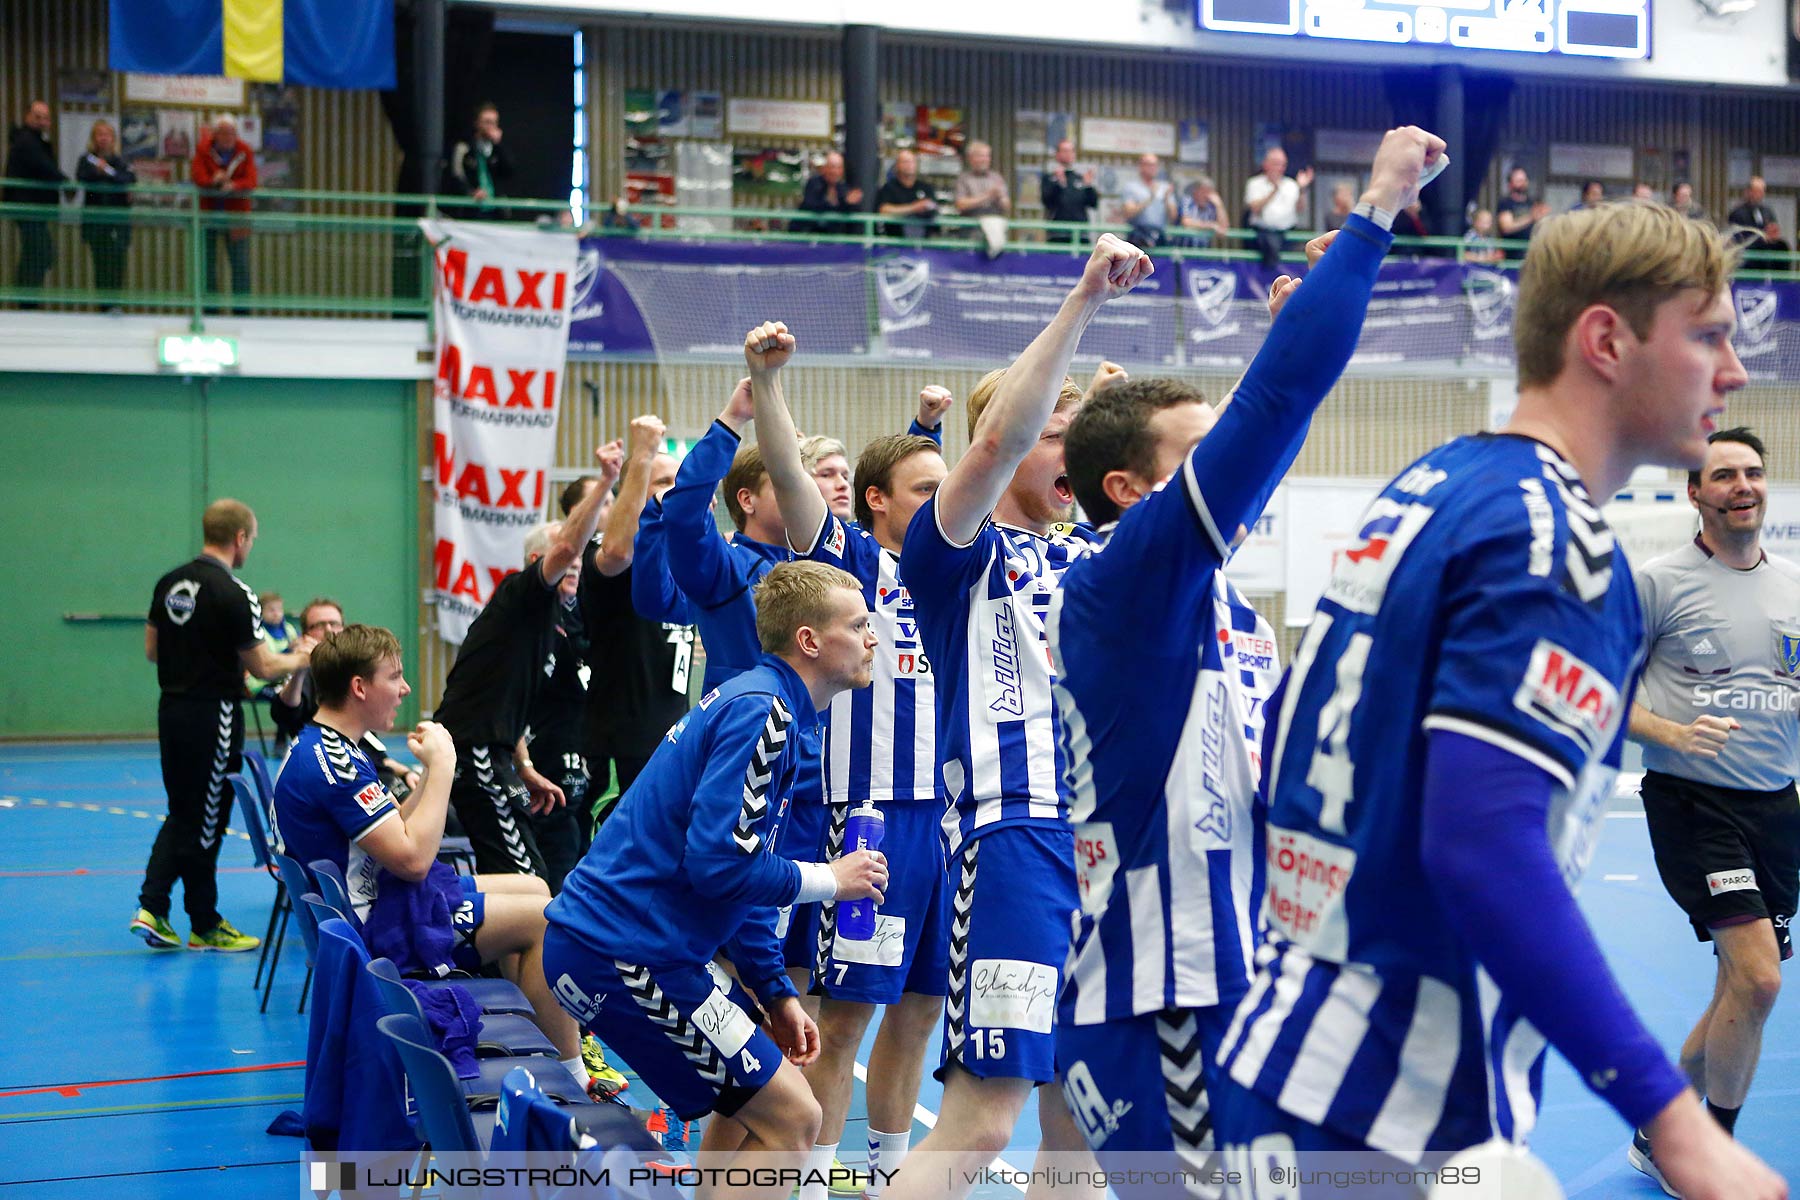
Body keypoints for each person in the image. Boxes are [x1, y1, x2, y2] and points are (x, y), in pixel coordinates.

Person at [1212, 201, 1786, 1200]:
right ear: (1607, 340)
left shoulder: (1434, 481)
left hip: (1296, 1053)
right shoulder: (1553, 546)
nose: (1734, 371)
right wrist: (1676, 1123)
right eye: (1708, 336)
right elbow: (1481, 843)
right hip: (1386, 1110)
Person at [1051, 129, 1424, 1193]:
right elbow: (1275, 409)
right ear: (1130, 491)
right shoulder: (1123, 578)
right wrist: (1381, 205)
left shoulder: (1225, 616)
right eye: (1194, 455)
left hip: (1237, 976)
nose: (1230, 476)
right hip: (1160, 991)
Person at [882, 232, 1154, 1200]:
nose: (1067, 449)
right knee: (982, 1122)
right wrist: (1084, 300)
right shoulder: (956, 548)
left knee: (1081, 1117)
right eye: (1056, 432)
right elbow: (999, 439)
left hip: (1111, 851)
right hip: (1016, 841)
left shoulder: (1098, 552)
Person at [542, 562, 890, 1200]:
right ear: (810, 641)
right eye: (860, 625)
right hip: (623, 953)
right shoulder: (764, 714)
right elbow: (719, 864)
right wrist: (829, 880)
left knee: (746, 1107)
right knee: (795, 1119)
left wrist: (774, 991)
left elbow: (745, 879)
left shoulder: (774, 707)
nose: (874, 638)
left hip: (648, 950)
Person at [748, 330, 953, 1200]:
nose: (949, 503)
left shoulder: (973, 569)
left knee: (920, 1011)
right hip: (871, 813)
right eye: (927, 491)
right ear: (876, 502)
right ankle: (811, 1181)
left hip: (953, 819)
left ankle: (885, 1179)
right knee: (847, 1016)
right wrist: (766, 384)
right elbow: (794, 482)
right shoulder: (857, 564)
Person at [270, 623, 599, 1097]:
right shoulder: (334, 764)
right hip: (378, 932)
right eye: (395, 677)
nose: (404, 689)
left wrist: (428, 772)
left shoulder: (328, 746)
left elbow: (392, 829)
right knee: (544, 919)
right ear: (360, 687)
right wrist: (445, 766)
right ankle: (570, 1082)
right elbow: (413, 860)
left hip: (374, 905)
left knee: (533, 886)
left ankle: (539, 1046)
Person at [1626, 427, 1800, 1189]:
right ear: (1694, 494)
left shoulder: (1794, 585)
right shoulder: (1656, 582)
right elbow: (1596, 684)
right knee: (1760, 980)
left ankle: (1655, 1128)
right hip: (1693, 803)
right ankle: (1706, 1152)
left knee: (1737, 990)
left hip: (1777, 809)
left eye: (1752, 472)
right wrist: (1668, 730)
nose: (1742, 485)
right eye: (1723, 474)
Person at [432, 441, 619, 878]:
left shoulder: (553, 624)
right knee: (528, 887)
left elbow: (512, 706)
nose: (574, 569)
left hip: (496, 753)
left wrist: (524, 766)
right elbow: (569, 547)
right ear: (539, 561)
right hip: (474, 751)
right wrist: (608, 481)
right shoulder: (521, 594)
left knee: (527, 877)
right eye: (565, 564)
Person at [132, 499, 311, 951]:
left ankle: (171, 911)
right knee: (206, 818)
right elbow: (266, 664)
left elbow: (153, 650)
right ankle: (190, 917)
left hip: (171, 710)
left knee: (185, 811)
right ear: (240, 538)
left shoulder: (169, 582)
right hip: (214, 715)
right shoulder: (234, 591)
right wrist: (305, 657)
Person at [578, 416, 693, 834]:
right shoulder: (614, 556)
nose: (675, 492)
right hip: (620, 746)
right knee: (610, 868)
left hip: (672, 745)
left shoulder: (690, 563)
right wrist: (642, 454)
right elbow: (618, 548)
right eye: (662, 482)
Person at [523, 518, 594, 896]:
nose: (578, 563)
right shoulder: (524, 621)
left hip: (581, 762)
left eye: (580, 554)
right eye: (568, 554)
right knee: (557, 868)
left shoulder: (579, 616)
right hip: (543, 772)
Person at [191, 116, 257, 313]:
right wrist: (214, 180)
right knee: (207, 266)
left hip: (237, 217)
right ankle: (209, 311)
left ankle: (242, 312)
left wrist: (234, 185)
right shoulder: (203, 150)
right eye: (223, 132)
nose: (228, 137)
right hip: (209, 216)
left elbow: (251, 180)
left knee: (240, 266)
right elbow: (198, 176)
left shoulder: (244, 150)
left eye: (232, 133)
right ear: (215, 134)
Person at [5, 100, 65, 305]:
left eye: (45, 118)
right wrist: (66, 182)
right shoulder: (26, 141)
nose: (41, 121)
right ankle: (27, 301)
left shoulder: (34, 141)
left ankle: (28, 299)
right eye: (37, 116)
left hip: (34, 208)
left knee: (36, 252)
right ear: (27, 117)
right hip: (27, 206)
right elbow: (42, 166)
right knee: (40, 251)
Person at [76, 118, 134, 307]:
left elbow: (128, 179)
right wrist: (97, 173)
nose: (103, 138)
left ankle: (115, 305)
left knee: (117, 265)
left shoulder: (121, 161)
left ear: (113, 138)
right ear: (94, 138)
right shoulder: (86, 160)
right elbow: (82, 177)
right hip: (96, 223)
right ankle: (103, 306)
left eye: (107, 135)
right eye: (99, 134)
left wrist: (108, 173)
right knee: (101, 265)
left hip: (118, 223)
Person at [1244, 145, 1313, 270]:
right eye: (1276, 164)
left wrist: (1302, 189)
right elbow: (1255, 208)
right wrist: (1274, 190)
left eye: (1283, 164)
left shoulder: (1291, 185)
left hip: (1287, 233)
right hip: (1262, 234)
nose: (1280, 168)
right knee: (1269, 247)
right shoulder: (1254, 183)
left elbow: (1301, 209)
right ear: (1266, 164)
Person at [452, 102, 512, 215]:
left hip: (496, 210)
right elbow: (457, 175)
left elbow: (509, 172)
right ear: (477, 123)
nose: (491, 126)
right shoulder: (464, 147)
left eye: (494, 122)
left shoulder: (498, 149)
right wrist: (471, 192)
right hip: (471, 208)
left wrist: (498, 145)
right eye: (487, 122)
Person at [1040, 138, 1098, 245]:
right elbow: (1047, 201)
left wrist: (1088, 185)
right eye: (1064, 151)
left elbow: (1093, 203)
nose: (1068, 154)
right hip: (1057, 234)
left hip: (1080, 234)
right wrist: (1059, 183)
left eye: (1071, 151)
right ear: (1057, 154)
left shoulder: (1080, 178)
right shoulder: (1049, 178)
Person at [795, 151, 862, 235]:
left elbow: (851, 213)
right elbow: (813, 205)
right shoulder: (813, 183)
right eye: (832, 167)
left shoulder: (842, 188)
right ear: (824, 168)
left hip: (834, 238)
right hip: (810, 235)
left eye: (839, 168)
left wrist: (850, 203)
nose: (835, 172)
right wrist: (839, 203)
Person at [875, 150, 938, 240]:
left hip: (923, 244)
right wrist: (914, 208)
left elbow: (934, 207)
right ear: (897, 165)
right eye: (905, 162)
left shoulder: (926, 188)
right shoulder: (889, 188)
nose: (909, 165)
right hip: (896, 243)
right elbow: (884, 210)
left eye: (912, 161)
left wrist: (926, 208)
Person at [1121, 152, 1177, 250]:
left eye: (1155, 165)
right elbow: (1128, 213)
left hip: (1160, 236)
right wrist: (1150, 198)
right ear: (1141, 166)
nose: (1153, 168)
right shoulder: (1131, 187)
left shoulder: (1165, 187)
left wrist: (1167, 199)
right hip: (1138, 236)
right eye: (1149, 165)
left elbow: (1173, 217)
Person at [1496, 164, 1549, 255]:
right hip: (1512, 255)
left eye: (1524, 180)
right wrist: (1531, 217)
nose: (1522, 183)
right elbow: (1506, 227)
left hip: (1531, 253)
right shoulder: (1506, 203)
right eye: (1518, 180)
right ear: (1510, 184)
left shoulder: (1532, 202)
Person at [1175, 176, 1229, 248]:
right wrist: (1211, 225)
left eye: (1209, 192)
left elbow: (1224, 227)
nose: (1206, 195)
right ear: (1196, 191)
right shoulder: (1187, 201)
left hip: (1201, 253)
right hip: (1182, 251)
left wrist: (1219, 205)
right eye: (1203, 191)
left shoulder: (1211, 207)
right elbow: (1186, 222)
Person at [1728, 177, 1776, 247]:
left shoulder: (1767, 212)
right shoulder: (1737, 213)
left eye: (1762, 191)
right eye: (1757, 191)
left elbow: (1773, 231)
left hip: (1766, 253)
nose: (1760, 194)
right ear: (1748, 192)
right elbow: (1736, 237)